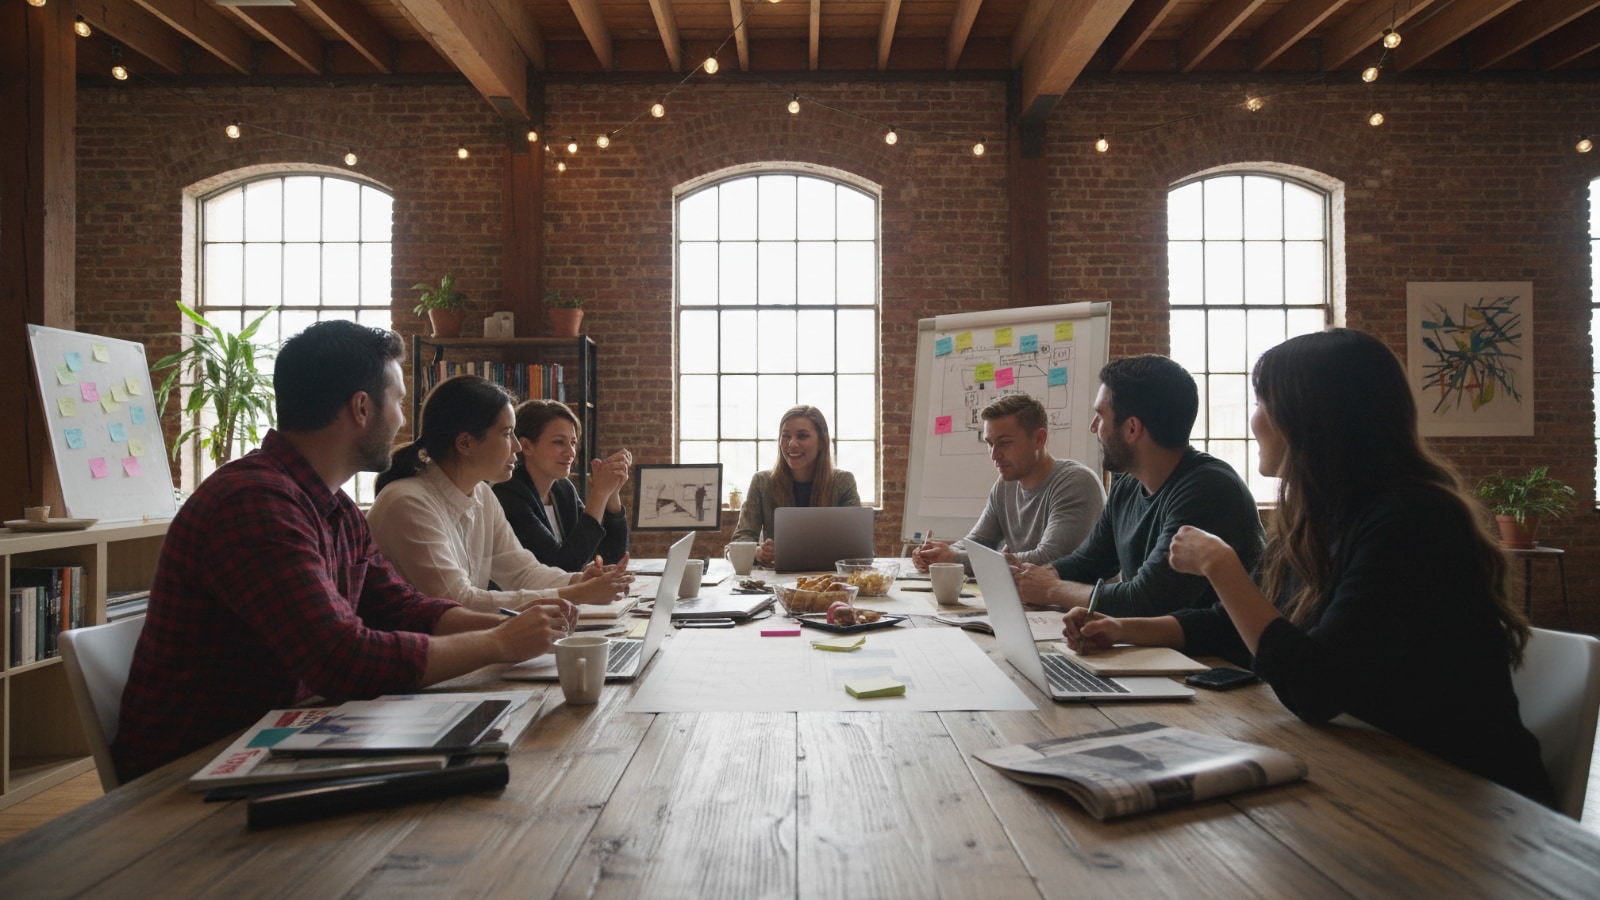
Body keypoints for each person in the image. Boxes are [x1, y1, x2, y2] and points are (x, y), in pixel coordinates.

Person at [1064, 329, 1552, 803]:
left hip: (1456, 796)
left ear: (1312, 418)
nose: (1254, 421)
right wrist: (1122, 628)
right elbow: (1237, 626)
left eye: (1261, 403)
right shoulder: (1319, 514)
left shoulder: (1413, 521)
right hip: (1370, 764)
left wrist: (1221, 568)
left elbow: (1315, 689)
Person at [113, 322, 574, 782]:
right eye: (396, 402)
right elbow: (340, 660)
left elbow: (401, 607)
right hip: (188, 772)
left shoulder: (334, 507)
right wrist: (497, 644)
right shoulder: (254, 501)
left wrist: (507, 627)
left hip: (278, 736)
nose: (402, 421)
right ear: (360, 408)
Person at [1012, 355, 1263, 616]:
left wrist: (1051, 590)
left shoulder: (1209, 489)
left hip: (1206, 656)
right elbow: (1091, 560)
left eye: (1100, 416)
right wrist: (1037, 576)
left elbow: (1146, 601)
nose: (1093, 427)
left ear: (1132, 429)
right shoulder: (1128, 483)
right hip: (1150, 649)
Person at [367, 377, 632, 611]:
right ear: (465, 443)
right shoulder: (408, 503)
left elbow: (523, 572)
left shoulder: (482, 495)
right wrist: (575, 593)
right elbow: (457, 603)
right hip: (429, 661)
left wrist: (578, 580)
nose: (517, 446)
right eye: (507, 434)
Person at [911, 393, 1104, 574]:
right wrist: (936, 554)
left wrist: (955, 558)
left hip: (1080, 606)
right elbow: (977, 542)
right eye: (989, 443)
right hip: (1035, 603)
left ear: (1039, 439)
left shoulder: (1076, 483)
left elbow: (1049, 558)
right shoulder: (1005, 485)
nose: (994, 455)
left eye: (1004, 443)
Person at [491, 398, 631, 571]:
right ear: (526, 446)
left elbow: (610, 557)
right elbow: (562, 564)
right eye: (559, 442)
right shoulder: (509, 494)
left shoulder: (563, 489)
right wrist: (599, 494)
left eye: (573, 442)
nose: (571, 452)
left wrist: (612, 496)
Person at [732, 404, 860, 566]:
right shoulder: (762, 482)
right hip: (777, 582)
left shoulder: (843, 482)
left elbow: (856, 547)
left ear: (821, 442)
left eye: (802, 436)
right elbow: (739, 542)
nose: (792, 444)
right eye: (786, 436)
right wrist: (757, 552)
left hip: (828, 580)